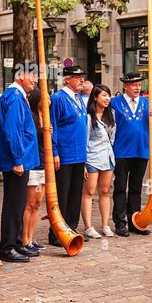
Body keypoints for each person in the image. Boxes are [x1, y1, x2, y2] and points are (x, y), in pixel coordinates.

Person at [0, 64, 40, 262]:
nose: (35, 81)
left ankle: (15, 242)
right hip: (17, 160)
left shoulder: (16, 95)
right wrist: (17, 159)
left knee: (19, 202)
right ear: (21, 76)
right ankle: (7, 247)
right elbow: (12, 130)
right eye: (33, 77)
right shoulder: (14, 96)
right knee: (14, 203)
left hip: (22, 157)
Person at [110, 72, 152, 237]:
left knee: (136, 188)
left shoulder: (148, 103)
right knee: (120, 187)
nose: (137, 88)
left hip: (141, 150)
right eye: (134, 85)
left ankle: (134, 220)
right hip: (121, 150)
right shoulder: (115, 103)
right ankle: (119, 221)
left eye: (139, 85)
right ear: (125, 86)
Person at [50, 65, 88, 246]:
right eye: (77, 77)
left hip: (79, 153)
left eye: (82, 77)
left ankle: (72, 227)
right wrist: (54, 151)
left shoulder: (79, 98)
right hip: (64, 154)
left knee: (75, 193)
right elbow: (53, 127)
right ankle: (57, 230)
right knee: (62, 194)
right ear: (67, 79)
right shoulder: (58, 99)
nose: (81, 80)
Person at [81, 84, 116, 239]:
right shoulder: (89, 117)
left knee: (105, 191)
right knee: (89, 192)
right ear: (95, 97)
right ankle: (88, 226)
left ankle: (105, 225)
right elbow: (85, 139)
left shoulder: (111, 114)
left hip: (108, 157)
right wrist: (84, 163)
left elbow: (112, 137)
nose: (107, 98)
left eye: (108, 95)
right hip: (92, 158)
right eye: (103, 95)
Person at [21, 87, 48, 252]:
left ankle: (32, 237)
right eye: (45, 97)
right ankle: (25, 239)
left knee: (38, 203)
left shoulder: (47, 116)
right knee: (30, 203)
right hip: (34, 164)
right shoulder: (32, 117)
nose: (48, 100)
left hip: (44, 164)